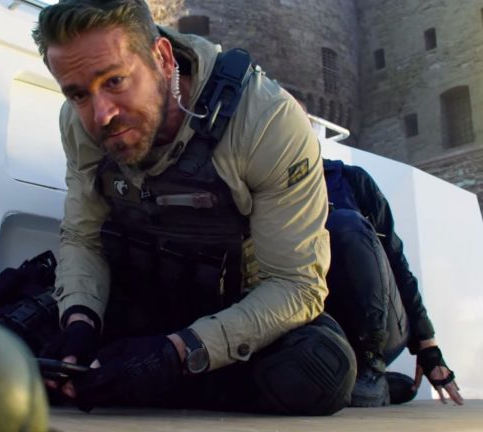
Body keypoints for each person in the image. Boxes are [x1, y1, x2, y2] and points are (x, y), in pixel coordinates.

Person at [31, 0, 356, 415]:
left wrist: (176, 355)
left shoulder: (265, 121)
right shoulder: (79, 123)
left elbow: (296, 285)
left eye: (114, 81)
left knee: (317, 371)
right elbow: (83, 237)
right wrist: (80, 322)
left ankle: (150, 382)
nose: (102, 115)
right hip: (142, 299)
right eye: (78, 94)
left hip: (235, 309)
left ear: (163, 58)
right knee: (13, 340)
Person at [323, 159, 463, 406]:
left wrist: (427, 345)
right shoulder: (262, 191)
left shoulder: (350, 179)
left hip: (379, 327)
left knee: (345, 223)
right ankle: (360, 382)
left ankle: (371, 367)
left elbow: (396, 260)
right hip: (323, 333)